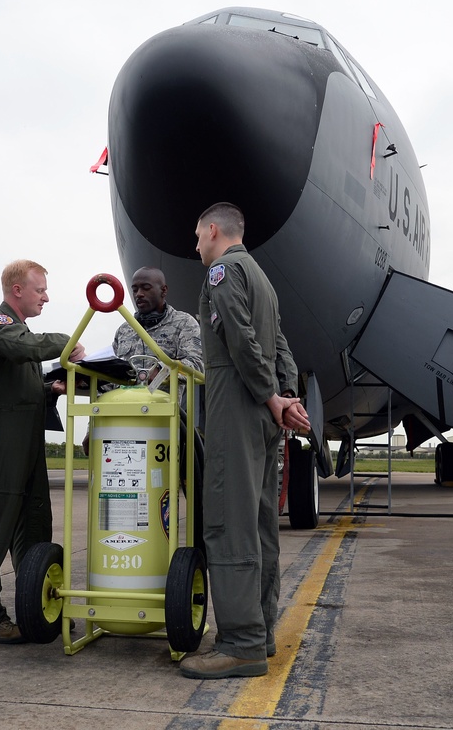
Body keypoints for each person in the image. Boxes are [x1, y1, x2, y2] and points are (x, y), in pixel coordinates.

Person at [180, 202, 310, 680]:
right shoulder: (262, 278)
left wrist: (270, 396)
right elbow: (279, 345)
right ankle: (261, 631)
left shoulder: (222, 272)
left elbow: (238, 338)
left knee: (228, 520)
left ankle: (239, 642)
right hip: (262, 411)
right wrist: (285, 394)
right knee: (259, 524)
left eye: (197, 236)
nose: (196, 246)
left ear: (213, 230)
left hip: (237, 401)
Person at [0, 260, 85, 644]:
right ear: (17, 290)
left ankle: (37, 608)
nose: (46, 297)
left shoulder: (23, 335)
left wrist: (50, 390)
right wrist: (69, 343)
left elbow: (23, 378)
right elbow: (19, 348)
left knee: (34, 526)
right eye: (40, 290)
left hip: (27, 442)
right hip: (2, 438)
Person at [82, 266, 202, 455]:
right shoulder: (124, 330)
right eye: (135, 289)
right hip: (120, 424)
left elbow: (196, 365)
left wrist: (162, 370)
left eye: (145, 288)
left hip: (161, 425)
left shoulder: (184, 324)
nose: (139, 294)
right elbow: (107, 384)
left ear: (163, 290)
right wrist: (92, 429)